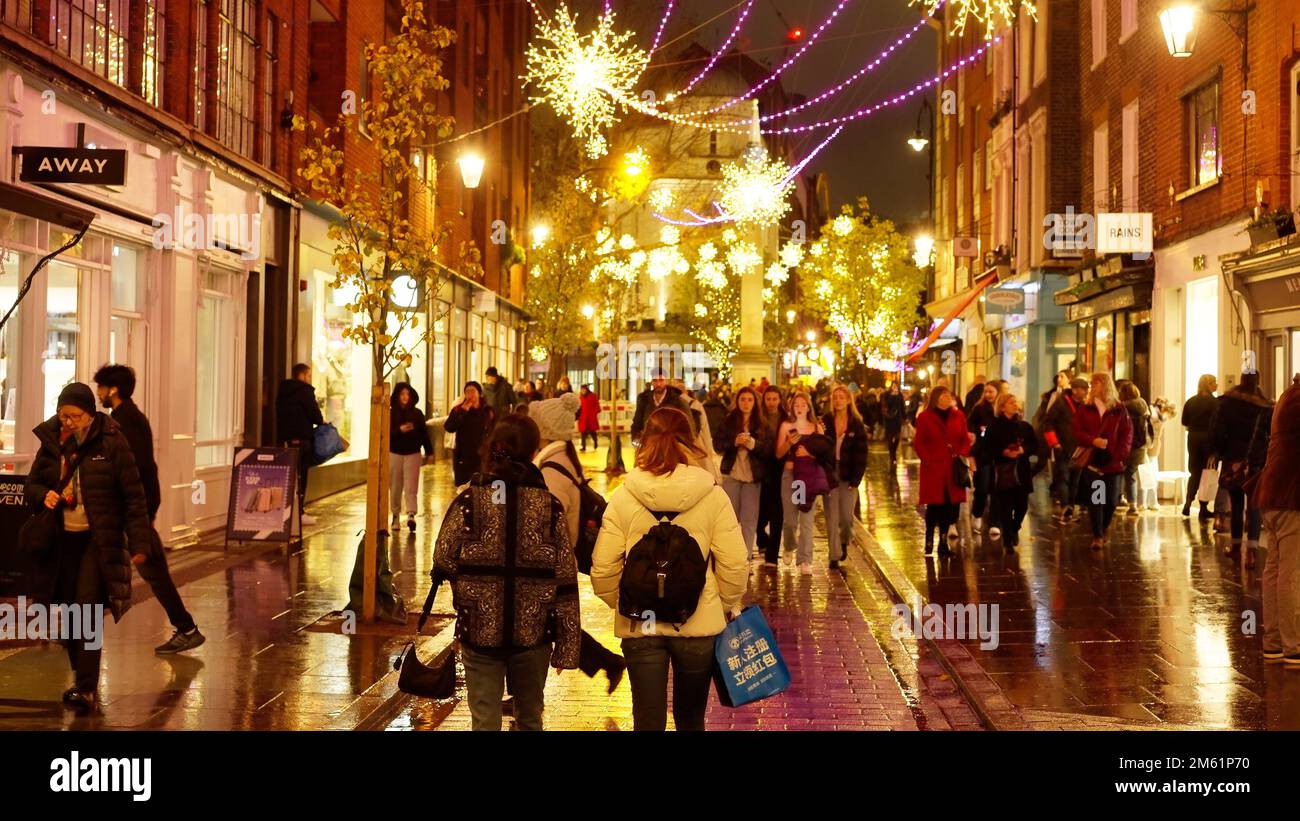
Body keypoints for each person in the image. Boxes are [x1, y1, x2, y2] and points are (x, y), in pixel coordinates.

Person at [590, 407, 749, 730]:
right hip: (696, 624)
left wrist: (625, 604)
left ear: (644, 439)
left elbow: (603, 570)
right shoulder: (713, 497)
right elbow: (734, 564)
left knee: (647, 720)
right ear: (690, 440)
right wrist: (721, 605)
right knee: (691, 719)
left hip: (641, 625)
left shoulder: (624, 497)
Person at [431, 412, 580, 730]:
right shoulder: (548, 506)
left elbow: (443, 556)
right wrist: (568, 645)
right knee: (529, 718)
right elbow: (565, 574)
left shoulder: (470, 501)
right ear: (533, 450)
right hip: (533, 634)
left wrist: (472, 584)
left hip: (480, 633)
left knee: (484, 720)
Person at [21, 383, 154, 713]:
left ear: (91, 414)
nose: (67, 422)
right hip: (61, 538)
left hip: (98, 539)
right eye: (63, 415)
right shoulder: (53, 442)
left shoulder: (112, 442)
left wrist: (139, 542)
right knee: (68, 609)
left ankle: (86, 686)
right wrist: (43, 494)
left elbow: (134, 496)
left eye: (74, 416)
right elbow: (32, 483)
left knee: (87, 606)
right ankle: (82, 676)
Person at [93, 365, 204, 655]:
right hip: (134, 510)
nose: (99, 393)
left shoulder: (126, 421)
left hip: (134, 511)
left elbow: (136, 469)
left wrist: (139, 515)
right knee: (143, 571)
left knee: (149, 570)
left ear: (113, 389)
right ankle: (186, 627)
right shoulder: (124, 417)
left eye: (102, 387)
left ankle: (187, 628)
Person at [531, 394, 627, 692]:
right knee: (545, 625)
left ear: (545, 428)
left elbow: (547, 521)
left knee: (538, 627)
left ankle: (527, 696)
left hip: (550, 563)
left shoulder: (551, 469)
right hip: (558, 561)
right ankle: (607, 662)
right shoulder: (558, 459)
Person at [1251, 377, 1300, 667]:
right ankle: (1294, 645)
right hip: (1291, 494)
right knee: (1291, 571)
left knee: (1276, 567)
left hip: (1273, 491)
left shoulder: (1289, 395)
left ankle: (1274, 642)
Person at [1210, 372, 1273, 553]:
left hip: (1233, 459)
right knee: (1254, 505)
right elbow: (1270, 435)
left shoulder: (1227, 403)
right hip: (1256, 461)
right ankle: (1252, 550)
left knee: (1236, 503)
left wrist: (1222, 452)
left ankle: (1236, 546)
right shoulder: (1265, 406)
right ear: (1258, 382)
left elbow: (1217, 431)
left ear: (1241, 380)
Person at [775, 391, 835, 575]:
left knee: (806, 518)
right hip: (792, 474)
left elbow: (825, 451)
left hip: (807, 476)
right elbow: (778, 453)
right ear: (792, 407)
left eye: (803, 404)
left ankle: (805, 559)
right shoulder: (787, 426)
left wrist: (820, 439)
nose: (800, 408)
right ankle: (789, 545)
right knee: (791, 520)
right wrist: (788, 443)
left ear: (809, 407)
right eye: (796, 405)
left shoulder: (815, 427)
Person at [1073, 373, 1133, 550]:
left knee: (1112, 501)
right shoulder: (1086, 408)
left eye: (1096, 383)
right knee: (1096, 500)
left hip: (1113, 463)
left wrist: (1121, 454)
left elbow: (1127, 432)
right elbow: (1077, 430)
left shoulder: (1118, 408)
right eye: (1092, 383)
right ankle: (1097, 535)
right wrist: (1093, 440)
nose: (1092, 386)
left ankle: (1104, 528)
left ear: (1105, 385)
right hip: (1094, 463)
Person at [913, 386, 971, 556]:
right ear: (936, 398)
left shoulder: (958, 415)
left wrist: (961, 454)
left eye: (949, 395)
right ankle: (929, 539)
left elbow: (964, 438)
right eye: (944, 395)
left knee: (949, 505)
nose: (947, 398)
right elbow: (919, 442)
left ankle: (943, 543)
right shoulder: (925, 417)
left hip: (953, 468)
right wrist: (928, 459)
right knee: (934, 506)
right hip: (934, 468)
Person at [715, 386, 767, 563]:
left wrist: (753, 444)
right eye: (742, 399)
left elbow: (767, 449)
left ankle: (746, 557)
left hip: (753, 477)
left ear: (755, 403)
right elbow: (718, 445)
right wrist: (734, 442)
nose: (746, 403)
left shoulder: (761, 423)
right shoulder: (729, 421)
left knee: (749, 519)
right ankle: (730, 556)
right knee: (730, 519)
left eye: (749, 400)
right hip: (732, 474)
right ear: (737, 402)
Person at [822, 384, 869, 569]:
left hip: (849, 474)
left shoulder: (856, 423)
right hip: (830, 473)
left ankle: (843, 541)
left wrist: (856, 480)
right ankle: (834, 554)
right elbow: (820, 446)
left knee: (847, 518)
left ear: (849, 400)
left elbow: (862, 453)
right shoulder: (826, 420)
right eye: (835, 397)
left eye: (842, 397)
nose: (838, 401)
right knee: (832, 517)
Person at [983, 392, 1038, 550]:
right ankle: (1007, 538)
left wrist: (1022, 449)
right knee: (1005, 506)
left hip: (1021, 470)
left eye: (1016, 402)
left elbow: (1034, 445)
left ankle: (1014, 528)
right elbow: (987, 449)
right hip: (1004, 471)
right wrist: (1003, 452)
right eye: (1011, 402)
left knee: (1022, 506)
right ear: (1002, 407)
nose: (1015, 405)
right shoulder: (994, 427)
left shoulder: (1024, 426)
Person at [276, 363, 325, 526]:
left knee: (288, 476)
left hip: (287, 440)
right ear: (302, 375)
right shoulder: (305, 392)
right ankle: (299, 513)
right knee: (301, 477)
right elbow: (315, 416)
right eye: (309, 375)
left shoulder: (283, 391)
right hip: (303, 440)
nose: (310, 379)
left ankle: (286, 511)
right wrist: (322, 421)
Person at [1041, 376, 1088, 520]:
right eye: (1083, 389)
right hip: (1062, 447)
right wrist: (1055, 443)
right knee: (1063, 478)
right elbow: (1047, 423)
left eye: (1086, 389)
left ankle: (1071, 507)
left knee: (1075, 480)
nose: (1086, 392)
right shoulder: (1061, 402)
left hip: (1080, 449)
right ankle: (1065, 506)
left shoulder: (1085, 405)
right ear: (1074, 390)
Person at [389, 381, 432, 533]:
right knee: (395, 486)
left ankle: (411, 514)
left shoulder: (417, 413)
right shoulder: (391, 413)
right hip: (394, 453)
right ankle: (395, 515)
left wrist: (429, 451)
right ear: (397, 396)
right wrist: (399, 430)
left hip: (413, 453)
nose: (405, 397)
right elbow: (386, 434)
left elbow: (424, 434)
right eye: (402, 394)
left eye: (407, 394)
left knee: (411, 486)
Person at [756, 386, 788, 567]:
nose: (771, 402)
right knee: (760, 512)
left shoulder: (786, 418)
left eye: (774, 399)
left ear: (780, 400)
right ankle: (761, 536)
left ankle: (772, 555)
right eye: (768, 398)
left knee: (778, 513)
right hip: (761, 466)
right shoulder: (758, 418)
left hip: (780, 468)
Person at [1182, 374, 1219, 519]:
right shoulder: (1215, 403)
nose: (1216, 385)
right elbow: (1218, 423)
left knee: (1195, 471)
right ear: (1208, 385)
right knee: (1208, 472)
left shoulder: (1191, 401)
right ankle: (1203, 507)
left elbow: (1184, 421)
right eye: (1214, 382)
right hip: (1209, 439)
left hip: (1193, 438)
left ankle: (1188, 502)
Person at [443, 381, 495, 487]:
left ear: (479, 393)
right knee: (464, 488)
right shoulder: (458, 409)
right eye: (467, 391)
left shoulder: (488, 411)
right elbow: (449, 427)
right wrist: (462, 411)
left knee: (481, 488)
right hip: (463, 457)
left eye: (473, 391)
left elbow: (493, 431)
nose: (470, 394)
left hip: (482, 458)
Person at [965, 382, 1000, 531]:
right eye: (986, 392)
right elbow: (970, 427)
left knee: (997, 489)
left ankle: (994, 522)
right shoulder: (979, 409)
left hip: (999, 455)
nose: (988, 395)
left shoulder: (1001, 409)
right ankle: (977, 514)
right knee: (982, 487)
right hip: (983, 453)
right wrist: (981, 431)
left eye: (991, 392)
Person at [630, 368, 693, 444]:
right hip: (649, 447)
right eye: (655, 380)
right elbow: (637, 423)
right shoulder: (644, 401)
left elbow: (688, 424)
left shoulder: (677, 401)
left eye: (661, 380)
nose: (658, 384)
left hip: (671, 447)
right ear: (651, 382)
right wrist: (636, 441)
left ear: (666, 381)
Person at [1117, 380, 1152, 516]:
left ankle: (1122, 500)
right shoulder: (1143, 406)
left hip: (1127, 444)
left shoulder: (1123, 408)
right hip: (1141, 445)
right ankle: (1133, 505)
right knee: (1131, 474)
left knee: (1121, 472)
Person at [1144, 397, 1177, 510]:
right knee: (1149, 475)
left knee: (1150, 474)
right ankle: (1149, 501)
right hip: (1150, 446)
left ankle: (1149, 501)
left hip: (1153, 447)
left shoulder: (1155, 414)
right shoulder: (1153, 415)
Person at [880, 382, 906, 468]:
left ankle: (893, 452)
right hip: (889, 419)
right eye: (893, 385)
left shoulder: (900, 395)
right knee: (890, 438)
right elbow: (886, 405)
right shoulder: (887, 394)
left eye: (896, 385)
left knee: (897, 437)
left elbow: (902, 406)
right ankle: (892, 455)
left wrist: (904, 417)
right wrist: (893, 396)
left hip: (897, 419)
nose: (894, 387)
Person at [577, 384, 601, 452]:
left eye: (584, 389)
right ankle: (583, 447)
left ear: (586, 389)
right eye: (582, 389)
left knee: (592, 432)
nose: (583, 391)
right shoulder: (580, 397)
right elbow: (579, 407)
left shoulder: (593, 396)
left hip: (591, 417)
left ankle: (595, 442)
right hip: (583, 417)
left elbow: (597, 405)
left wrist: (595, 412)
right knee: (583, 433)